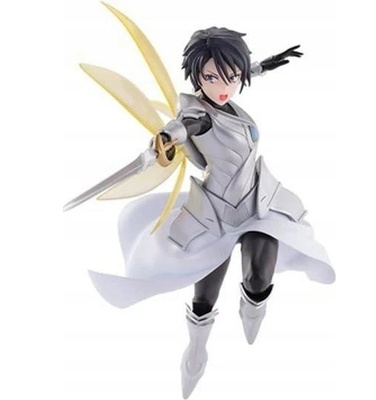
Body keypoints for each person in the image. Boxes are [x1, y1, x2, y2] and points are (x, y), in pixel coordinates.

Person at [66, 8, 335, 398]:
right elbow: (184, 126)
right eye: (211, 77)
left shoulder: (229, 95)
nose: (223, 86)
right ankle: (196, 350)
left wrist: (264, 65)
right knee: (205, 297)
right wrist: (165, 139)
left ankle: (251, 309)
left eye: (231, 76)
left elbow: (237, 75)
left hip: (257, 201)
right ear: (197, 77)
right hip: (216, 215)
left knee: (258, 279)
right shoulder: (197, 114)